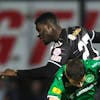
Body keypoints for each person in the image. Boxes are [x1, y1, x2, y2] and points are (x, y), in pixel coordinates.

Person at [0, 12, 100, 79]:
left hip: (90, 84)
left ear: (49, 27)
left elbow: (49, 71)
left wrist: (16, 73)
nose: (38, 35)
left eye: (39, 30)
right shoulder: (78, 29)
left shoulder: (62, 46)